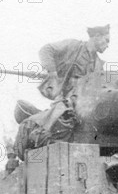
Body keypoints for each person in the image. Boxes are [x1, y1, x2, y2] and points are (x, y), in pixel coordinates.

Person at [14, 25, 110, 159]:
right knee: (59, 122)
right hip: (67, 101)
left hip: (85, 107)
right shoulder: (74, 47)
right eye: (106, 40)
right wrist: (52, 72)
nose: (107, 45)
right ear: (97, 36)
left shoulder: (99, 64)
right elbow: (46, 50)